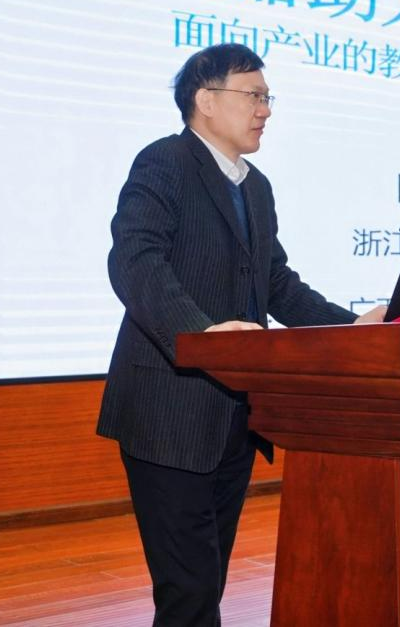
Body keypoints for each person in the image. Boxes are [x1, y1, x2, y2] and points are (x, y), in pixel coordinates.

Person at [97, 43, 384, 626]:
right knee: (188, 589)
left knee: (208, 578)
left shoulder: (255, 186)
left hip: (233, 413)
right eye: (253, 95)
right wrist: (202, 333)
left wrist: (351, 328)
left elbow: (275, 283)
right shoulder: (165, 162)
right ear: (206, 100)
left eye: (267, 97)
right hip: (169, 410)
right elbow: (135, 261)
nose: (265, 110)